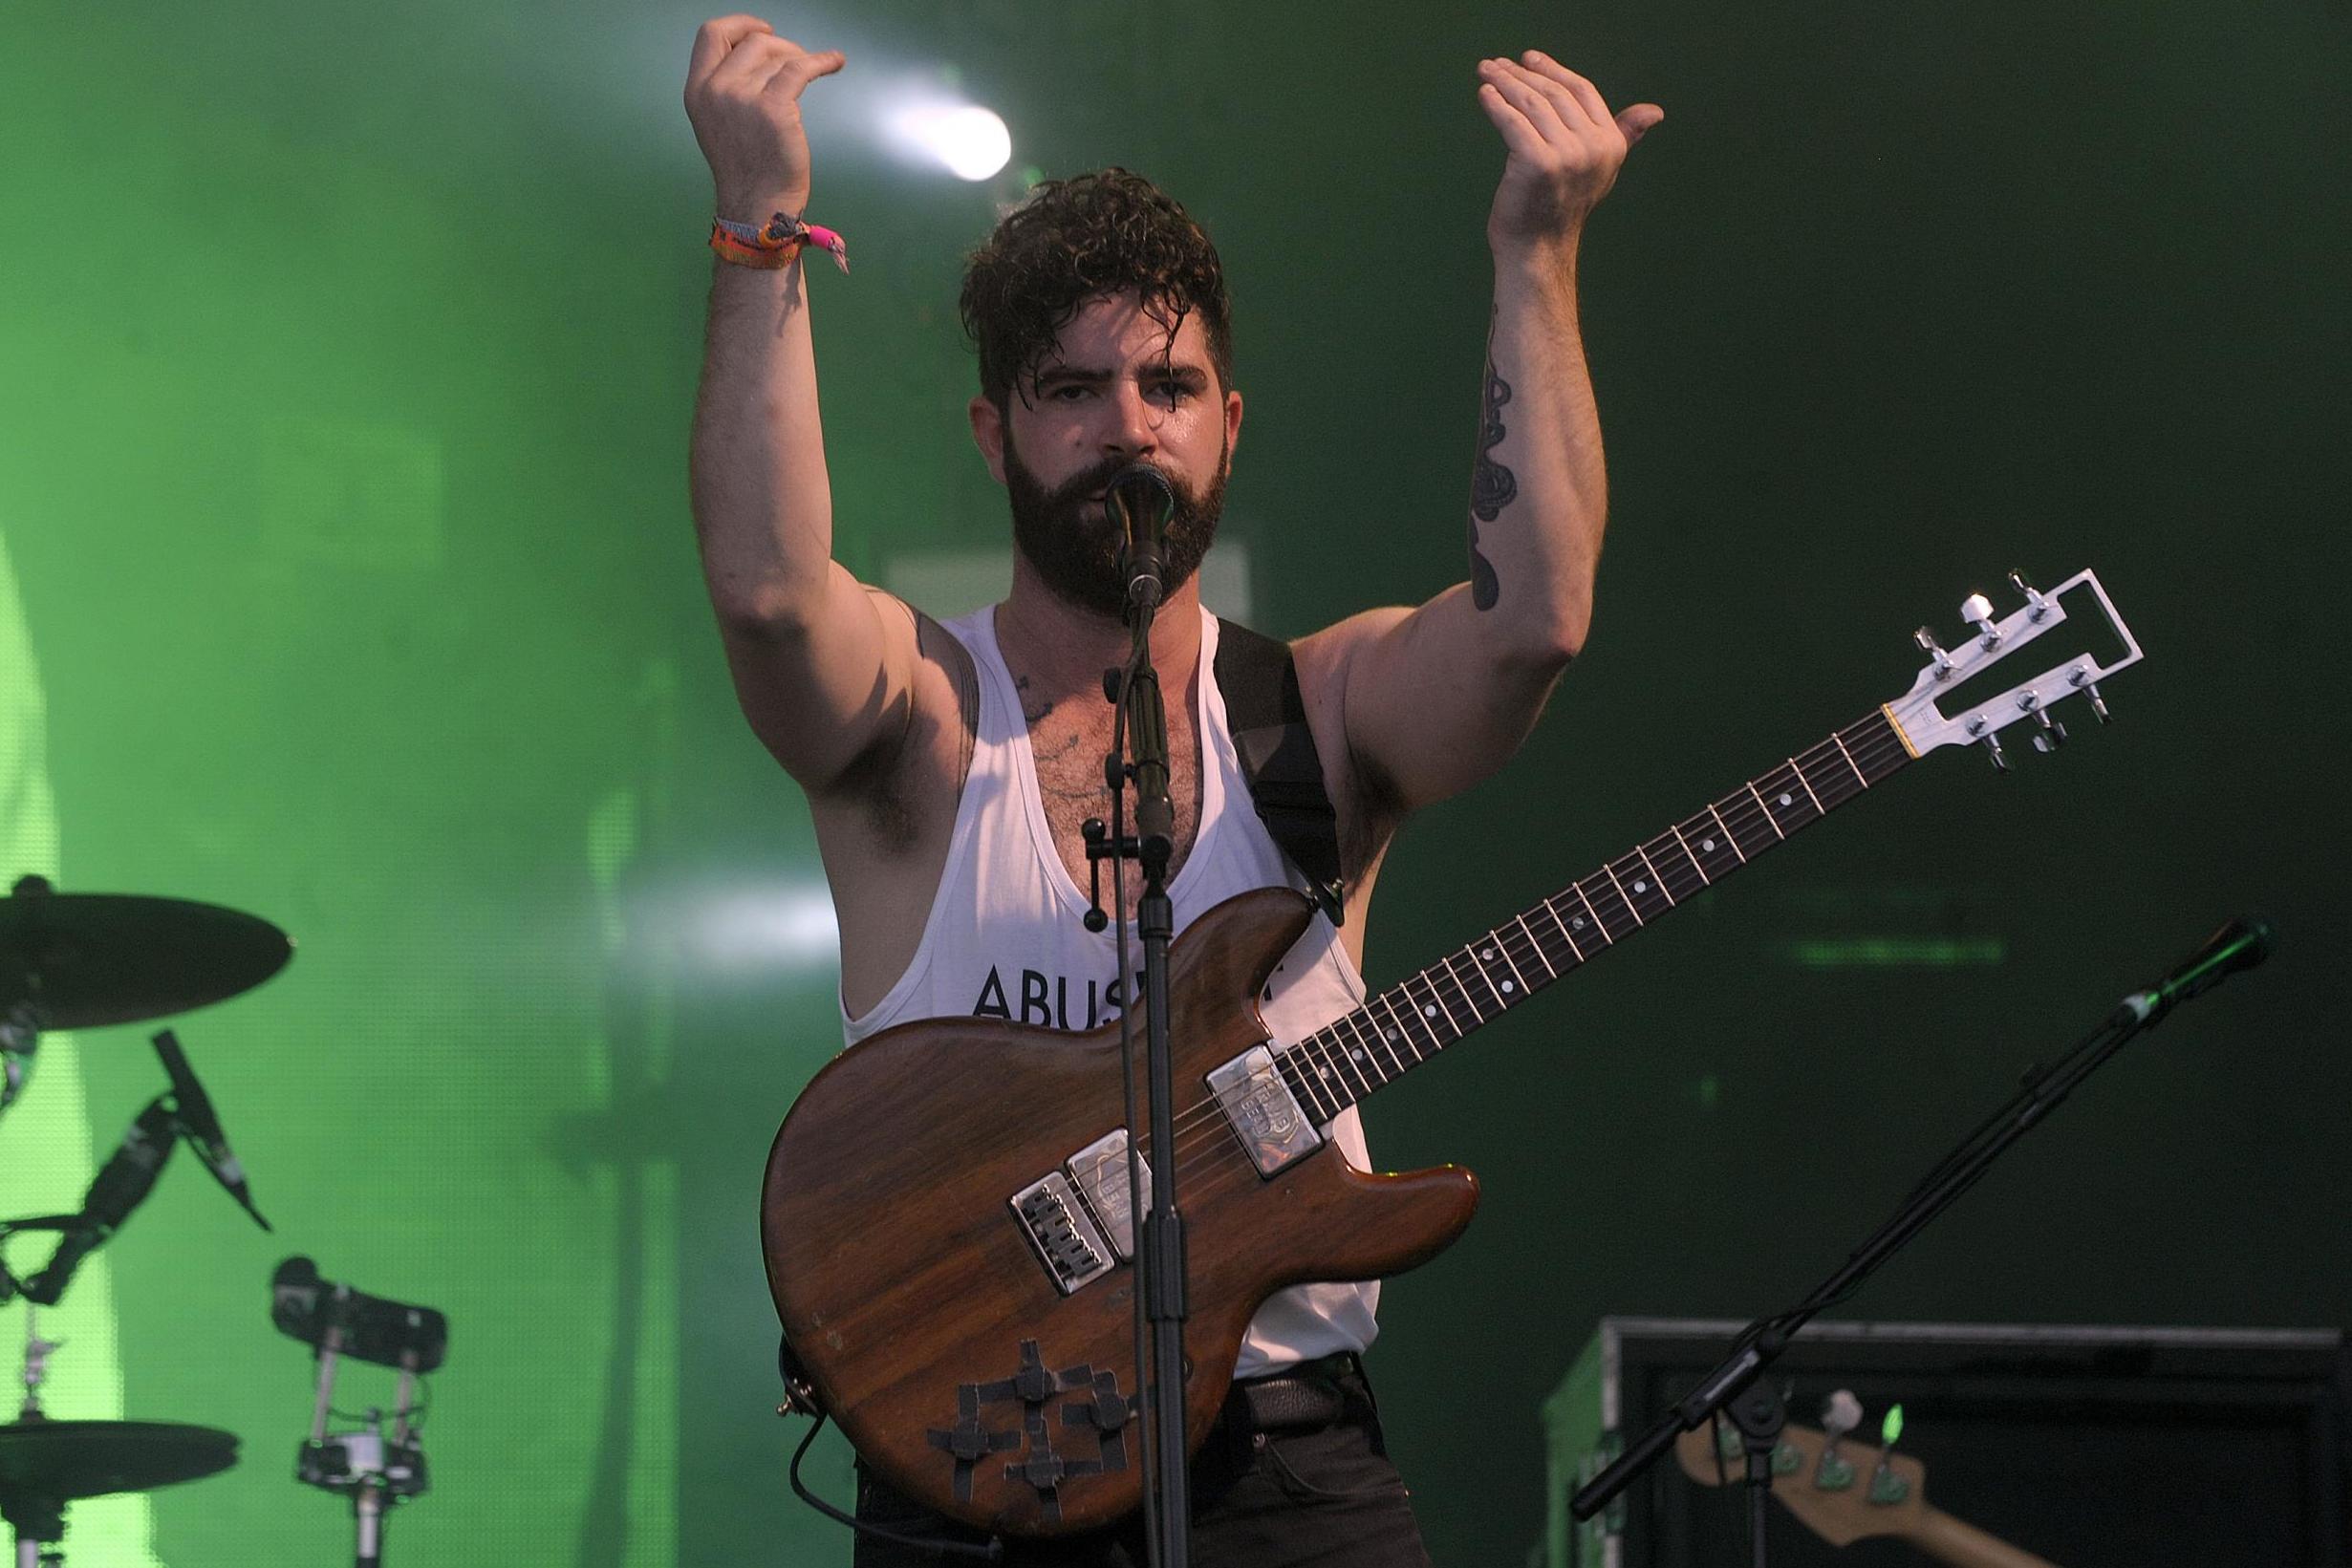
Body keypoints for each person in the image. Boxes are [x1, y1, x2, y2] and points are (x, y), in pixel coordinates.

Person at [683, 15, 1658, 1564]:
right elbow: (764, 597)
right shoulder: (926, 715)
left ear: (1227, 424)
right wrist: (758, 234)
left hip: (1285, 1466)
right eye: (1072, 389)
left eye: (1168, 384)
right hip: (980, 1457)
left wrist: (1536, 250)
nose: (1126, 425)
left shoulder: (1317, 710)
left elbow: (1530, 622)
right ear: (996, 431)